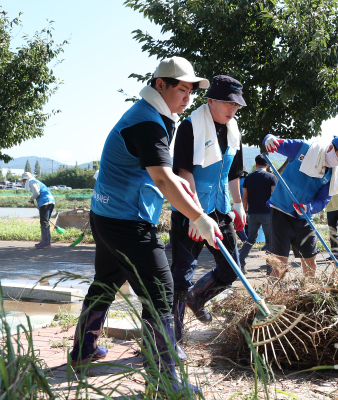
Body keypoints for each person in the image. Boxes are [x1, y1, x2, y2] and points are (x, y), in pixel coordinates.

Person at [70, 57, 218, 394]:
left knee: (106, 283)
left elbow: (164, 177)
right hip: (126, 221)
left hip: (106, 214)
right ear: (159, 85)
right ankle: (166, 380)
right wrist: (199, 217)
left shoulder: (152, 116)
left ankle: (83, 350)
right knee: (161, 294)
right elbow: (163, 181)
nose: (187, 97)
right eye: (182, 88)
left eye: (191, 91)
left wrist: (186, 192)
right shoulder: (147, 123)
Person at [169, 75, 246, 332]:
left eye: (236, 105)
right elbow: (183, 171)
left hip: (221, 208)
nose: (232, 110)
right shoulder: (190, 126)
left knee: (231, 269)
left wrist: (238, 204)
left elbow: (234, 172)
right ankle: (173, 335)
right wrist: (195, 214)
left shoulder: (234, 131)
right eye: (227, 104)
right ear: (210, 100)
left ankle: (197, 298)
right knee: (181, 275)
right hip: (190, 208)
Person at [264, 134, 338, 277]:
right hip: (281, 212)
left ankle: (309, 293)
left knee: (311, 263)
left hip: (305, 218)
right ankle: (270, 296)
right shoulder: (304, 149)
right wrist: (268, 139)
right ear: (331, 148)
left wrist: (308, 208)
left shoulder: (332, 174)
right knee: (280, 264)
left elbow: (323, 200)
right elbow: (276, 142)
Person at [238, 154, 277, 270]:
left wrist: (245, 213)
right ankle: (269, 267)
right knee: (270, 240)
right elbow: (274, 197)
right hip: (267, 213)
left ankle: (241, 260)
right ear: (268, 165)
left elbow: (244, 198)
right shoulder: (271, 177)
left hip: (253, 213)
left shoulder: (248, 178)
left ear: (256, 164)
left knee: (250, 239)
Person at [21, 172, 55, 249]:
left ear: (25, 179)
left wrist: (31, 198)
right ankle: (46, 241)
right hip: (50, 201)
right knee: (45, 221)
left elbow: (36, 193)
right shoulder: (36, 181)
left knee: (44, 222)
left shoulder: (31, 181)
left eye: (23, 180)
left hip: (45, 202)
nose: (23, 182)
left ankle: (45, 242)